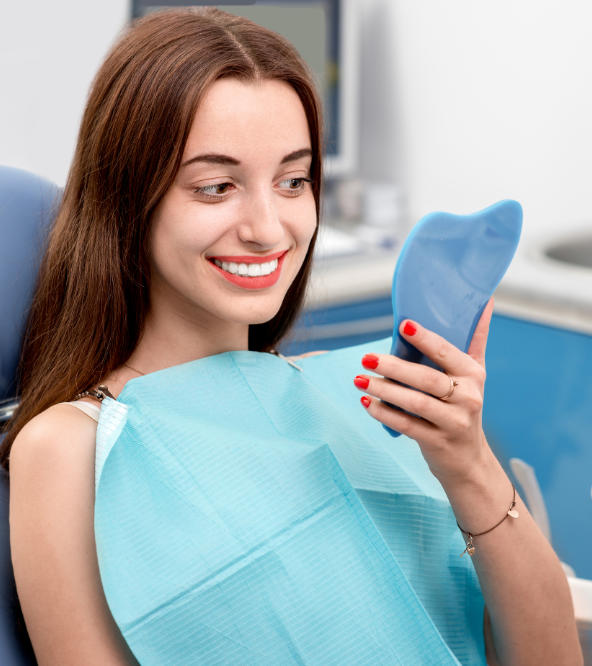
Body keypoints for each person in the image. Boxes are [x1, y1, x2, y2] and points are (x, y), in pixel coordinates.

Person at [1, 7, 582, 665]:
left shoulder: (356, 397)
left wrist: (469, 463)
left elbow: (553, 656)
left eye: (294, 180)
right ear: (127, 198)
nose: (269, 228)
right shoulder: (71, 448)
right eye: (217, 187)